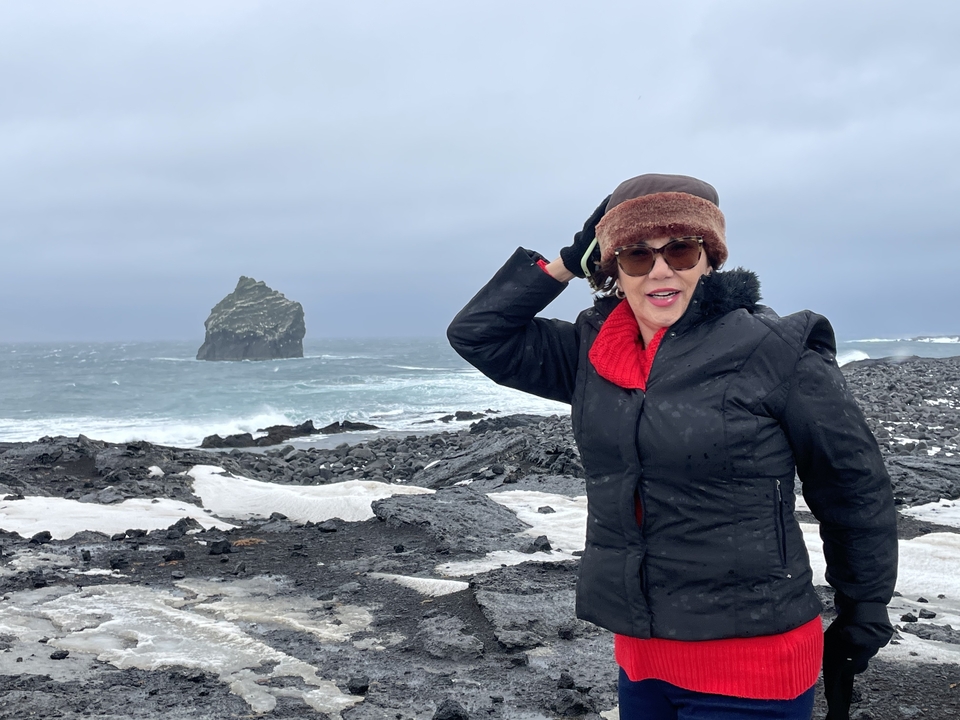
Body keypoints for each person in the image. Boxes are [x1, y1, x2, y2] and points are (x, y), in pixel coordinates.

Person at [447, 174, 897, 720]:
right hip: (642, 657)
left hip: (755, 661)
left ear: (709, 259)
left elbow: (852, 487)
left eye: (681, 251)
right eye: (636, 256)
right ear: (611, 268)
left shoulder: (776, 352)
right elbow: (477, 334)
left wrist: (863, 608)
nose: (660, 270)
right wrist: (566, 262)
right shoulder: (593, 352)